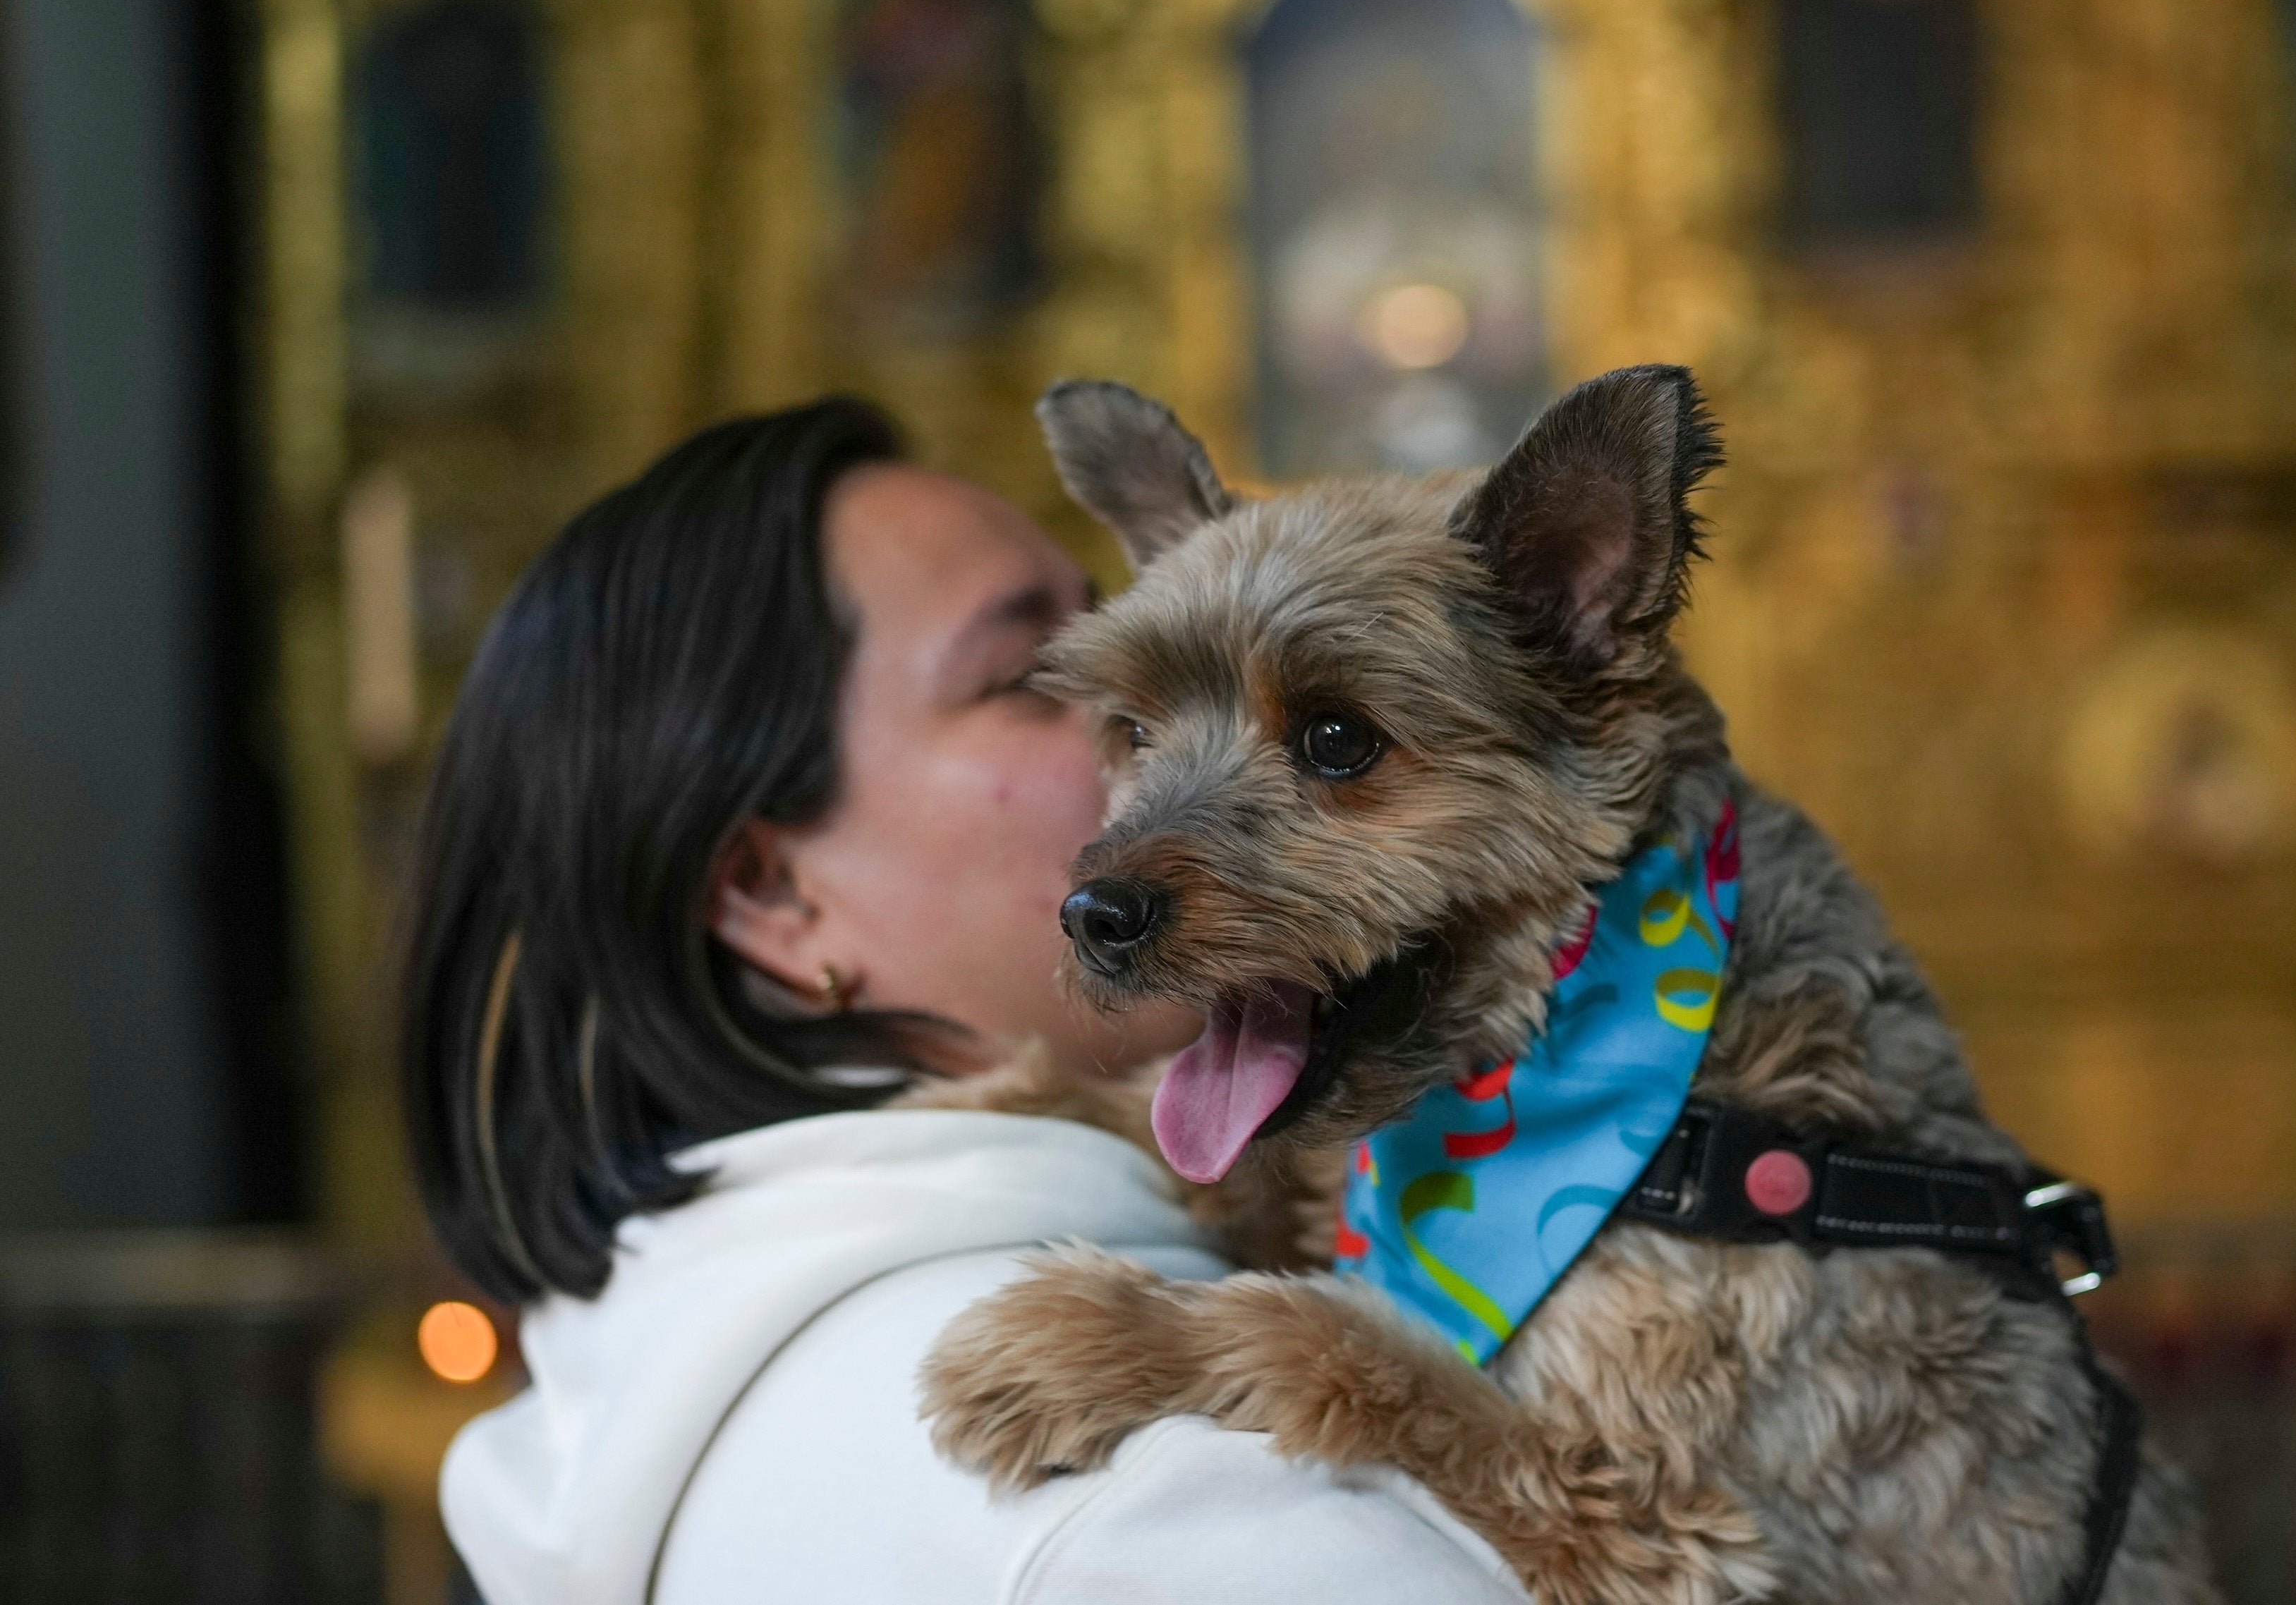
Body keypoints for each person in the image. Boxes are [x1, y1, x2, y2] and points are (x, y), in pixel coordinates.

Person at [403, 398, 1522, 1605]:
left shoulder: (670, 1366)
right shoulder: (1149, 1503)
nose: (1159, 693)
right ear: (775, 892)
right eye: (1036, 672)